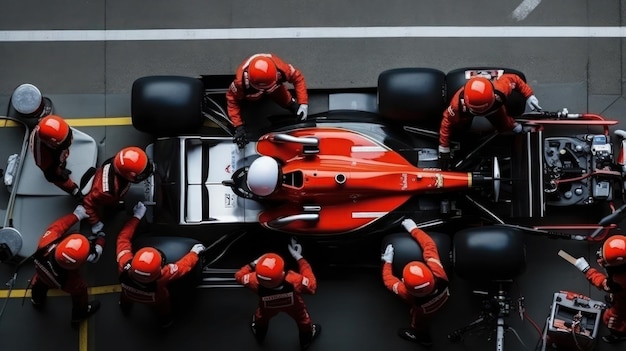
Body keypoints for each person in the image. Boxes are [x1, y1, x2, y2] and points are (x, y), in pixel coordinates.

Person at [116, 201, 205, 328]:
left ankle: (124, 307)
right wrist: (194, 253)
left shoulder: (123, 262)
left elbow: (123, 238)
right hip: (156, 299)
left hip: (128, 292)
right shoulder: (162, 276)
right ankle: (165, 322)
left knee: (126, 298)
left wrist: (136, 216)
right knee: (163, 308)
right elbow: (182, 267)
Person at [438, 74, 542, 170]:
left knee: (504, 124)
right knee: (462, 131)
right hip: (471, 115)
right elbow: (446, 123)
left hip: (494, 110)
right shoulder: (457, 106)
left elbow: (514, 79)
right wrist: (444, 147)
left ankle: (514, 127)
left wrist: (529, 95)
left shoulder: (501, 89)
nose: (481, 112)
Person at [234, 238, 321, 350]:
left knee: (261, 317)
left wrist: (254, 263)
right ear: (283, 273)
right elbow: (312, 286)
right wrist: (299, 258)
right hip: (294, 305)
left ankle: (259, 333)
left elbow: (239, 276)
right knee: (303, 319)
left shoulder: (253, 280)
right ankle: (306, 339)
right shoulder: (293, 280)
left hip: (268, 306)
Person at [30, 204, 103, 326]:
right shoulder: (73, 282)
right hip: (58, 281)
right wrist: (99, 245)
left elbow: (57, 227)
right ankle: (78, 316)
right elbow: (80, 293)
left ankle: (37, 300)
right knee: (79, 300)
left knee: (39, 285)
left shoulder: (45, 244)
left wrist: (75, 216)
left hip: (41, 274)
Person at [381, 218, 450, 348]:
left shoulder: (407, 294)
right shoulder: (439, 274)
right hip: (443, 299)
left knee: (418, 323)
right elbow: (429, 245)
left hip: (423, 312)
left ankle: (422, 338)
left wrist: (387, 262)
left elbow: (389, 281)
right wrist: (414, 229)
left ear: (404, 283)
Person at [226, 53, 309, 148]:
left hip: (273, 86)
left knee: (278, 93)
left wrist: (303, 103)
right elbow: (231, 100)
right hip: (253, 93)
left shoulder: (282, 69)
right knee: (253, 98)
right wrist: (239, 126)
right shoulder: (241, 83)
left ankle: (291, 103)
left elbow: (297, 78)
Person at [83, 146, 153, 235]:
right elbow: (87, 204)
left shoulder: (119, 162)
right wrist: (95, 223)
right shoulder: (106, 191)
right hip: (104, 196)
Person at [573, 235, 626, 343]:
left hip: (623, 302)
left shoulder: (618, 280)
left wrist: (587, 270)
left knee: (610, 319)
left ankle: (618, 334)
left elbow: (603, 283)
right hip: (621, 293)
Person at [29, 114, 80, 196]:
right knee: (59, 177)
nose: (71, 139)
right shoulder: (45, 160)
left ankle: (62, 166)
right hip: (54, 166)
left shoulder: (49, 131)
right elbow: (53, 177)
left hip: (58, 156)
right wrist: (72, 188)